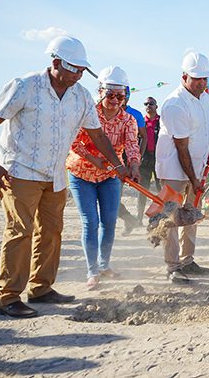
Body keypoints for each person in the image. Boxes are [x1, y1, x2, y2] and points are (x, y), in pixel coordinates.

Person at [0, 36, 129, 318]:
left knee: (51, 232)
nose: (78, 75)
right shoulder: (25, 86)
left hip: (55, 175)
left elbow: (97, 134)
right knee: (20, 232)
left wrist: (118, 164)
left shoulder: (81, 96)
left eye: (82, 70)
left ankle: (41, 287)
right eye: (73, 69)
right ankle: (8, 296)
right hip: (20, 171)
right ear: (56, 63)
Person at [66, 66, 141, 290]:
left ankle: (104, 264)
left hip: (110, 175)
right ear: (100, 92)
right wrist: (93, 158)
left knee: (109, 222)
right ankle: (92, 271)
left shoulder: (128, 120)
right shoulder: (86, 114)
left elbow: (132, 146)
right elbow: (73, 141)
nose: (115, 100)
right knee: (91, 222)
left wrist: (134, 165)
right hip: (82, 174)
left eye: (120, 95)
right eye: (110, 95)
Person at [155, 51, 209, 284]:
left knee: (191, 215)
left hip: (196, 168)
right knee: (171, 217)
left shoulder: (205, 98)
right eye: (196, 78)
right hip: (175, 171)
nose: (201, 83)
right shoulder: (175, 105)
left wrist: (206, 161)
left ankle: (188, 260)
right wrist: (194, 178)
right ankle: (173, 267)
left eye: (205, 78)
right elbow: (181, 148)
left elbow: (203, 133)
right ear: (184, 77)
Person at [117, 89, 147, 233]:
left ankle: (132, 219)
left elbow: (144, 137)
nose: (120, 99)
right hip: (111, 157)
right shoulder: (104, 112)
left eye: (123, 96)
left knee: (114, 195)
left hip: (129, 157)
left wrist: (137, 158)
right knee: (112, 196)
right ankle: (129, 219)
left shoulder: (135, 114)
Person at [138, 96, 161, 220]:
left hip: (159, 159)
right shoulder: (141, 122)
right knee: (142, 189)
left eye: (151, 103)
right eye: (146, 103)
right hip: (145, 160)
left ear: (156, 106)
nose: (148, 106)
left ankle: (162, 215)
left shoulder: (162, 122)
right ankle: (139, 217)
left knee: (160, 189)